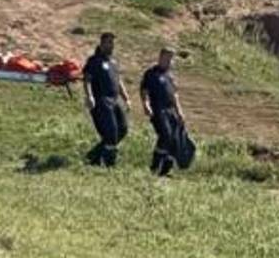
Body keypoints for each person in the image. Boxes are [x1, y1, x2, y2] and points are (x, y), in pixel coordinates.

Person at [140, 47, 196, 176]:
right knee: (165, 135)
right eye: (168, 57)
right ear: (161, 57)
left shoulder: (170, 75)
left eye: (172, 58)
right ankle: (154, 166)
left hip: (171, 110)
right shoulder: (151, 73)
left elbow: (174, 95)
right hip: (158, 110)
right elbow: (144, 90)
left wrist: (180, 112)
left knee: (174, 140)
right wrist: (146, 104)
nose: (171, 61)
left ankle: (165, 170)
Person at [82, 32, 130, 167]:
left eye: (112, 43)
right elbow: (87, 80)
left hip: (115, 100)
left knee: (123, 129)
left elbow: (118, 81)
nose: (111, 45)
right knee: (111, 132)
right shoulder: (94, 61)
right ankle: (109, 164)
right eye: (108, 42)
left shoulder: (113, 62)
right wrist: (89, 96)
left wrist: (126, 97)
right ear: (102, 44)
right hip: (101, 100)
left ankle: (94, 156)